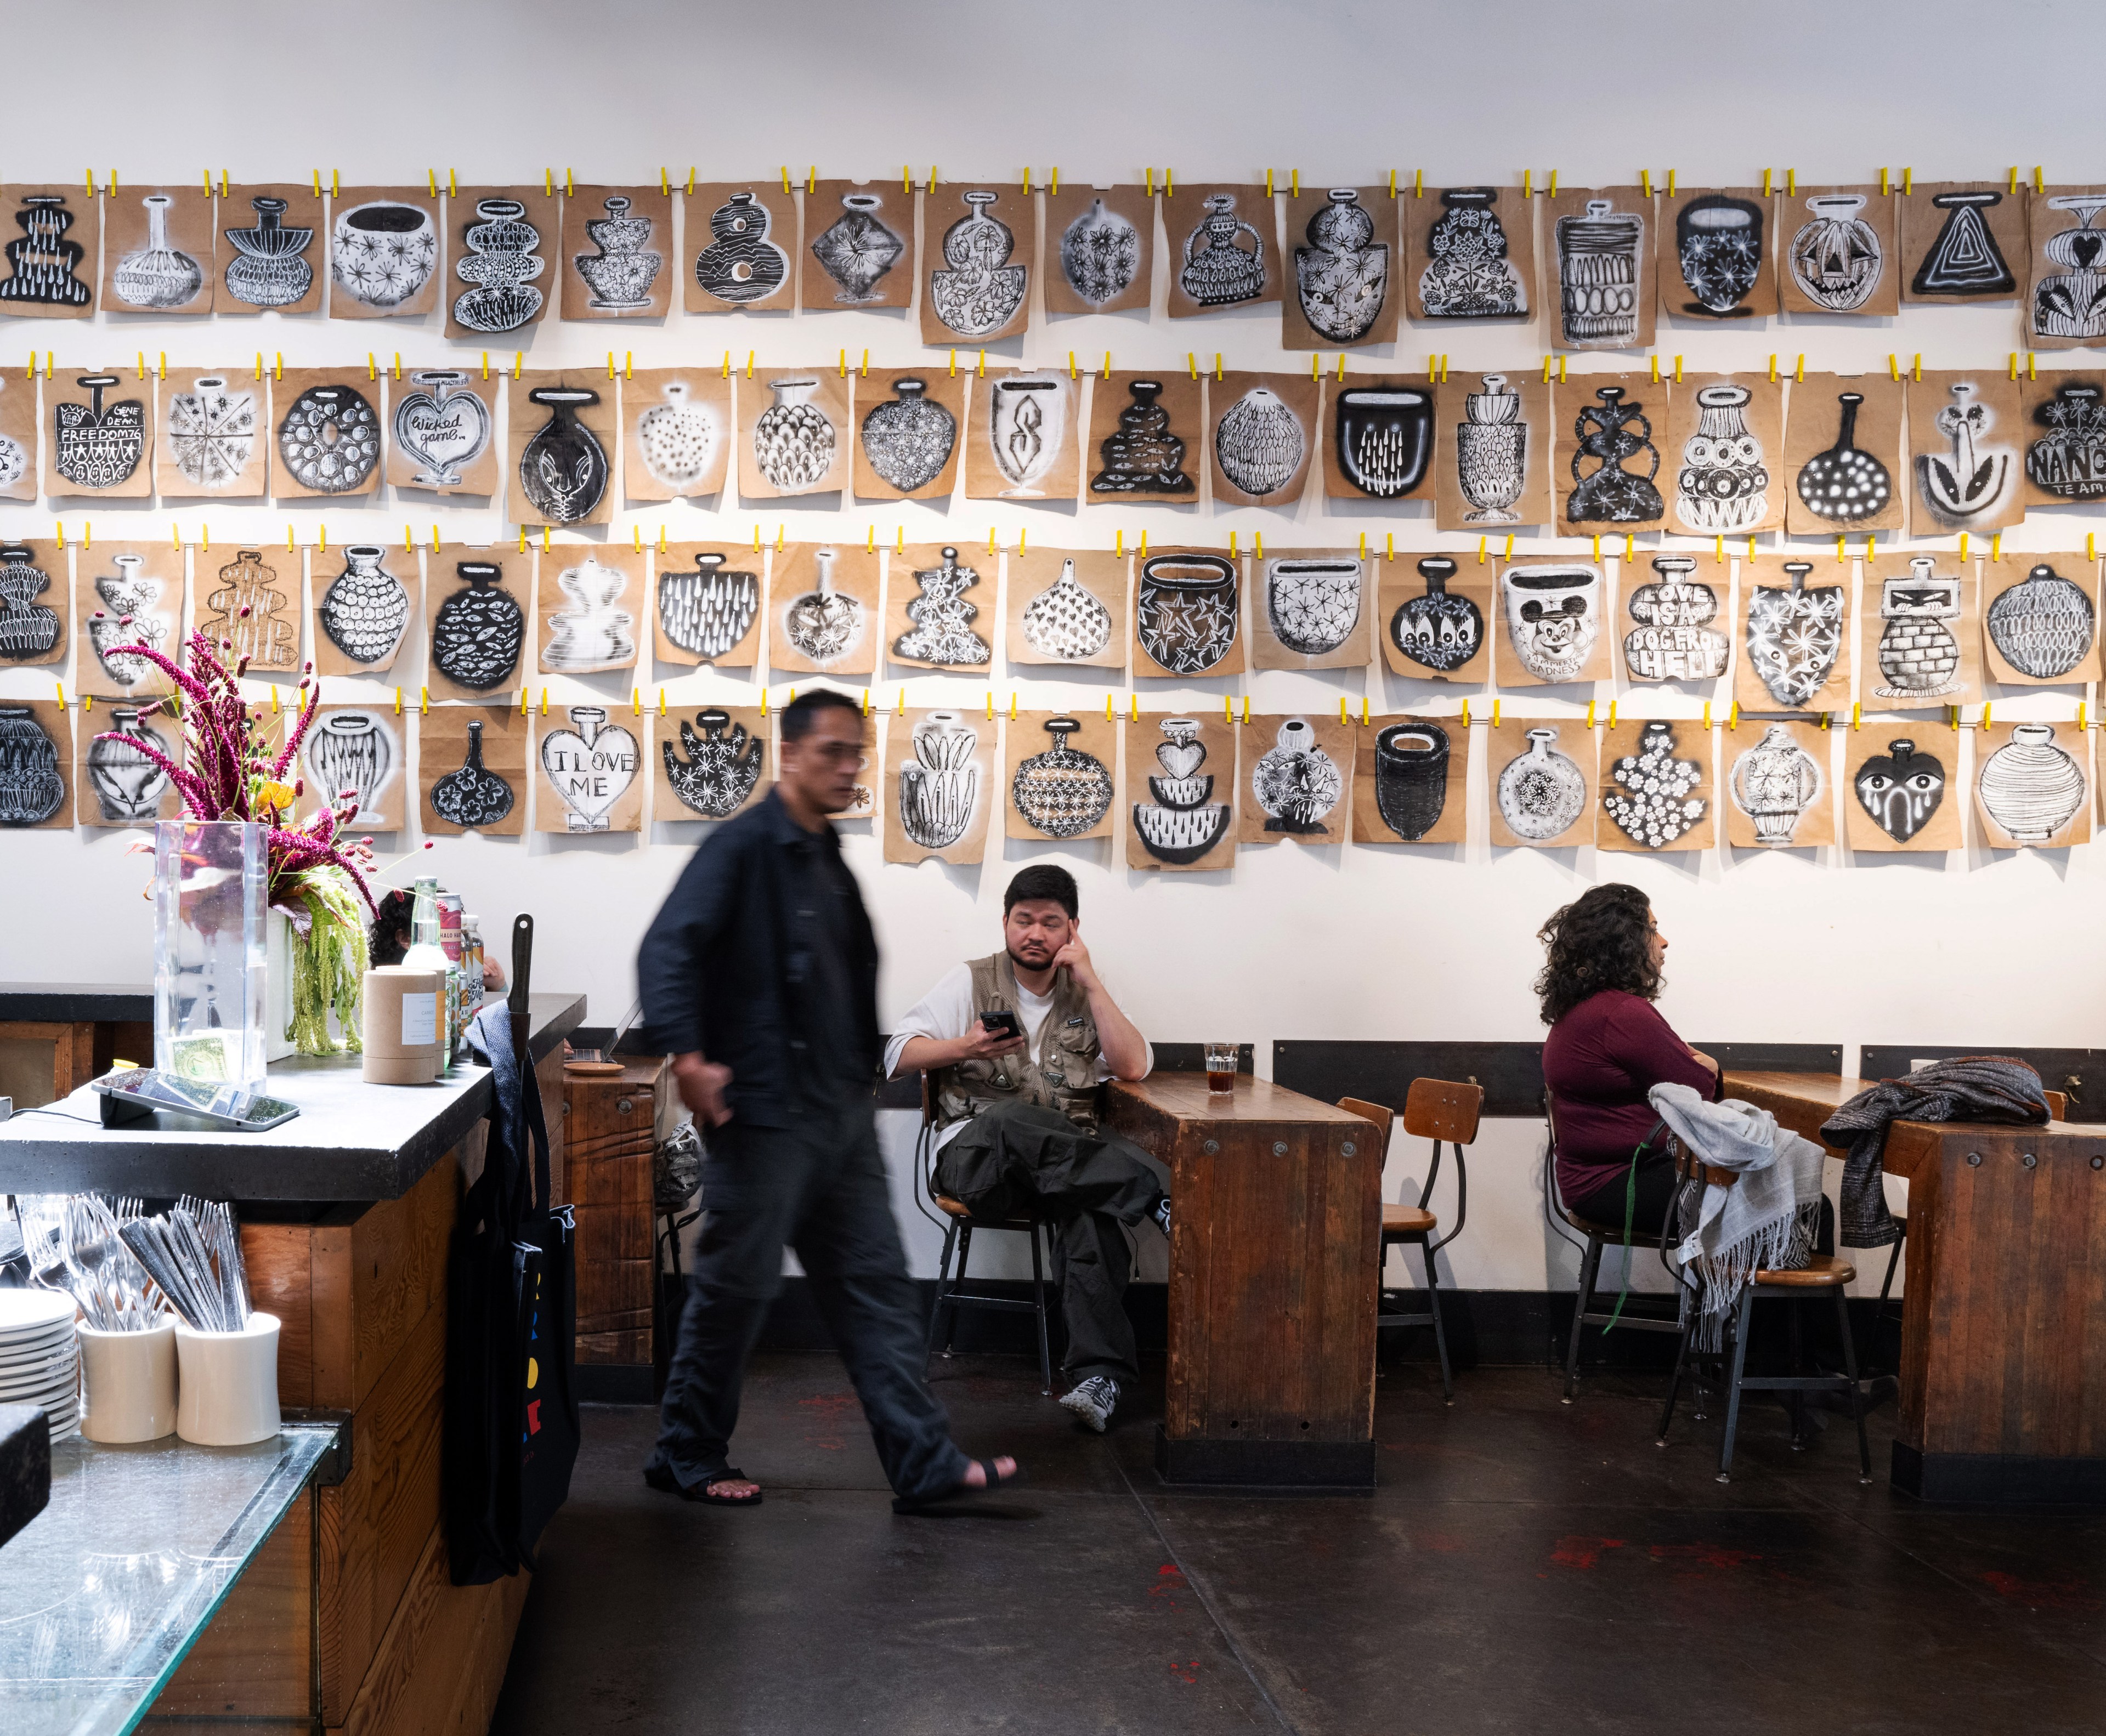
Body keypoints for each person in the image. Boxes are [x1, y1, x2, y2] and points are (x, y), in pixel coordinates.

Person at [635, 688, 1016, 1511]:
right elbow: (667, 950)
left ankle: (924, 1464)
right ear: (791, 754)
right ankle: (686, 1452)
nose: (850, 768)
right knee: (736, 1292)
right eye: (834, 752)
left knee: (876, 1288)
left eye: (857, 753)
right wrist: (692, 1057)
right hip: (764, 1114)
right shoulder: (739, 848)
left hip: (837, 1115)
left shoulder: (827, 857)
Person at [887, 865, 1164, 1434]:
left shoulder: (1088, 992)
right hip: (974, 1163)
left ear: (1072, 930)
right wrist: (966, 1045)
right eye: (1024, 920)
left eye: (1050, 922)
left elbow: (1134, 1065)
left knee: (1093, 1213)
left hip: (1060, 1173)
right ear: (1007, 923)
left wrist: (1091, 981)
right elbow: (896, 1054)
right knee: (1012, 1119)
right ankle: (1150, 1195)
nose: (1035, 932)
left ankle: (1099, 1379)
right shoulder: (970, 980)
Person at [1538, 883, 1720, 1234]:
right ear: (1624, 941)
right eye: (1652, 929)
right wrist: (1711, 1068)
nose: (1663, 941)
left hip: (1594, 1182)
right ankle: (1724, 1290)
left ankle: (1718, 1290)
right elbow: (1697, 1091)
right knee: (1805, 1205)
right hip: (1616, 1183)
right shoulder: (1622, 1013)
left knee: (1775, 1190)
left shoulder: (1584, 1006)